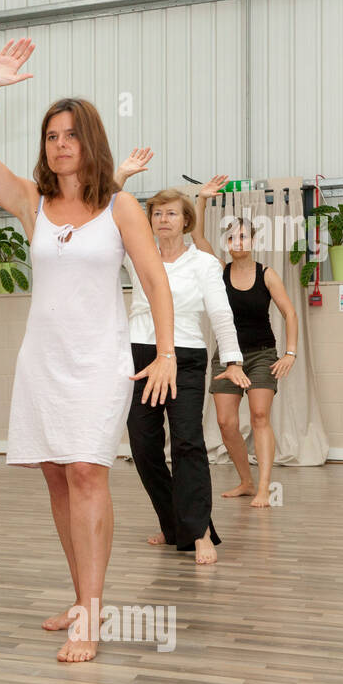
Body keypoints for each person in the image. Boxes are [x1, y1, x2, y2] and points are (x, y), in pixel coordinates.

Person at [0, 39, 176, 664]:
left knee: (87, 472)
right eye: (51, 136)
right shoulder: (33, 205)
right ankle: (81, 596)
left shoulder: (121, 206)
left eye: (70, 135)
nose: (60, 144)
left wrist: (165, 352)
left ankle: (91, 612)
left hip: (99, 361)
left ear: (90, 142)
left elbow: (154, 281)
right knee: (57, 479)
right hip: (42, 362)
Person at [112, 159, 251, 564]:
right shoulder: (137, 256)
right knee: (144, 446)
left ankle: (199, 529)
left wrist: (233, 360)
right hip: (140, 354)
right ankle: (175, 522)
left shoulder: (203, 264)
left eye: (172, 213)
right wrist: (120, 178)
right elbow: (105, 221)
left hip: (186, 356)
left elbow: (222, 314)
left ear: (186, 221)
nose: (163, 218)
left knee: (188, 442)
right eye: (156, 213)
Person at [190, 176, 300, 507]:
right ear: (226, 243)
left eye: (243, 236)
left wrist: (290, 353)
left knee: (260, 416)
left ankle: (265, 487)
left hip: (262, 355)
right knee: (225, 422)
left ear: (252, 241)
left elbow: (289, 314)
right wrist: (202, 199)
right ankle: (246, 481)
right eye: (232, 236)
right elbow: (195, 235)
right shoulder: (218, 271)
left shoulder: (267, 274)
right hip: (226, 356)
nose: (238, 241)